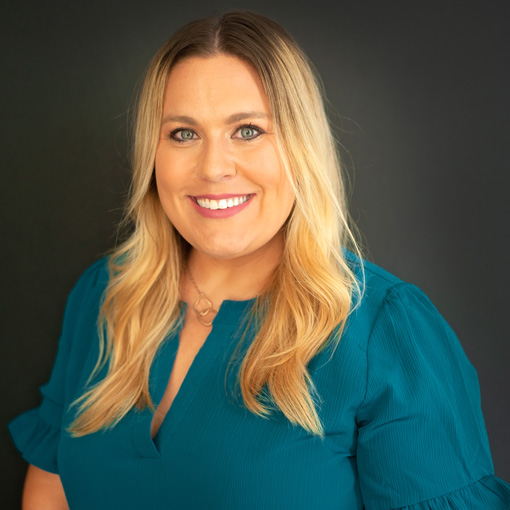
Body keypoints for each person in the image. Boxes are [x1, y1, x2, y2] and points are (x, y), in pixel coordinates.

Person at [9, 10, 510, 510]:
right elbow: (51, 486)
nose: (213, 168)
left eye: (247, 130)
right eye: (183, 133)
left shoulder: (386, 330)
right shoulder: (105, 294)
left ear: (300, 147)